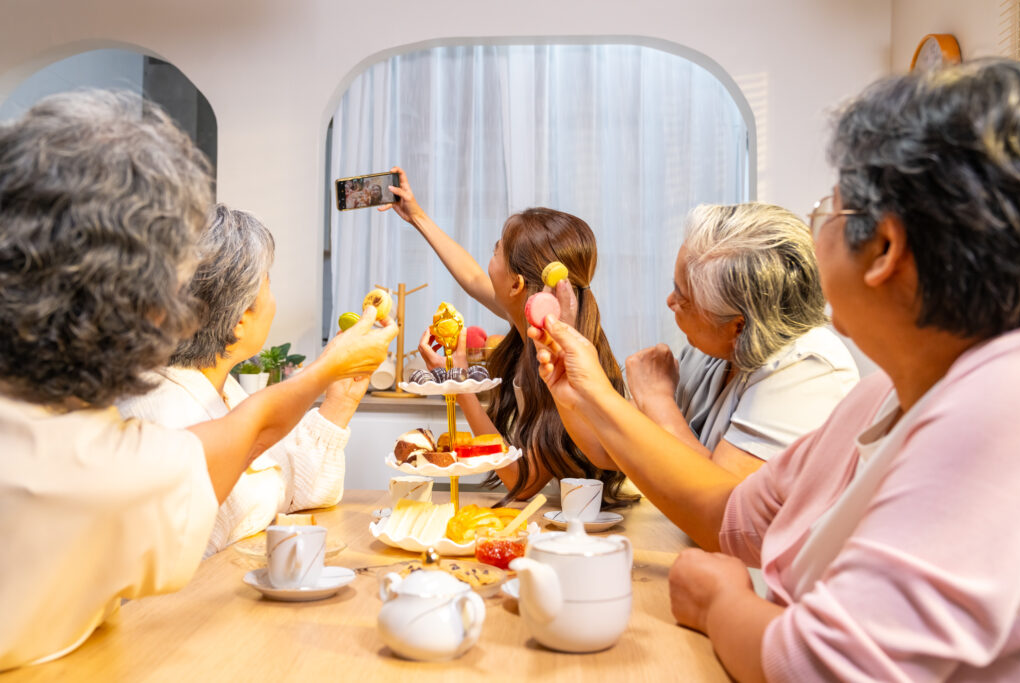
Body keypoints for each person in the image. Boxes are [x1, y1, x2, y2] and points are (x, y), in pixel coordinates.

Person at [529, 59, 1020, 681]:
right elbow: (730, 514)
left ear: (886, 250)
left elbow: (822, 664)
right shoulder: (875, 400)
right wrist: (583, 390)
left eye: (829, 213)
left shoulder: (997, 408)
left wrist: (718, 603)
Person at [0, 91, 396, 670]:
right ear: (154, 306)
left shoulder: (93, 432)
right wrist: (328, 369)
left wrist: (335, 385)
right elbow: (249, 435)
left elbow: (263, 445)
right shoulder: (108, 463)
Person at [118, 204, 369, 557]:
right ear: (238, 320)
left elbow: (289, 486)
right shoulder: (159, 416)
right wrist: (326, 369)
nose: (274, 302)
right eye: (269, 285)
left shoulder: (225, 391)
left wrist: (340, 402)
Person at [383, 168, 635, 505]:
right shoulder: (532, 318)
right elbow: (472, 276)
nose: (488, 263)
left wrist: (458, 384)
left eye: (495, 251)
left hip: (583, 520)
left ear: (516, 284)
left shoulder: (555, 358)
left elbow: (523, 481)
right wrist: (417, 216)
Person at [619, 203, 858, 478]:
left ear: (738, 327)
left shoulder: (808, 369)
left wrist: (657, 400)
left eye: (682, 295)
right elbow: (611, 450)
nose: (670, 301)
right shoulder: (711, 351)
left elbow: (725, 506)